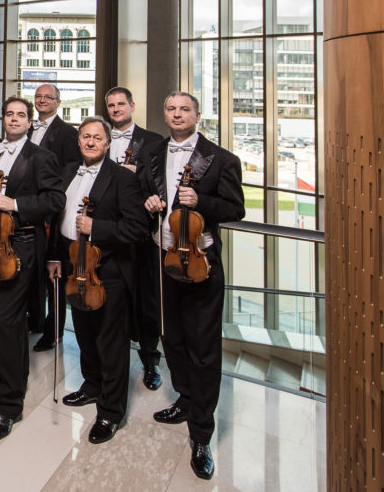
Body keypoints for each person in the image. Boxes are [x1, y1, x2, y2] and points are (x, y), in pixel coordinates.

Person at [142, 91, 245, 480]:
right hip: (163, 259)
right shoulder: (153, 153)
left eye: (184, 109)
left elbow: (235, 208)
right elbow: (141, 192)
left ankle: (201, 434)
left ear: (197, 116)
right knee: (172, 338)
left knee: (203, 349)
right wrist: (149, 201)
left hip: (201, 264)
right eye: (171, 108)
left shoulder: (221, 159)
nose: (177, 114)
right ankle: (185, 399)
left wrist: (201, 200)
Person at [0, 96, 64, 443]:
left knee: (7, 321)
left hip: (20, 248)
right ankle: (6, 383)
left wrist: (16, 204)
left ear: (29, 121)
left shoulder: (40, 157)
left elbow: (56, 200)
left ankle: (9, 407)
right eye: (9, 114)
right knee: (2, 322)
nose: (14, 119)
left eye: (20, 115)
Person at [46, 116, 147, 444]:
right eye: (85, 137)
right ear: (79, 141)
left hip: (107, 272)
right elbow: (57, 220)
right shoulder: (67, 172)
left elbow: (137, 228)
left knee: (111, 342)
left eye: (97, 138)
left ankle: (111, 411)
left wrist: (97, 228)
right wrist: (54, 257)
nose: (90, 142)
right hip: (73, 266)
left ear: (108, 143)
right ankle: (92, 386)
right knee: (85, 333)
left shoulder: (122, 178)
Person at [104, 86, 165, 390]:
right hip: (106, 230)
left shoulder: (153, 141)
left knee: (146, 300)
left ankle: (150, 360)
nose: (116, 109)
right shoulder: (99, 137)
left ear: (132, 106)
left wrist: (135, 171)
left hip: (139, 232)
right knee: (112, 299)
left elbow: (160, 184)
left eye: (121, 104)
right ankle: (109, 359)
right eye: (111, 105)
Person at [29, 83, 81, 350]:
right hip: (28, 208)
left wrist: (47, 194)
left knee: (54, 274)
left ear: (58, 102)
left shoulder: (68, 133)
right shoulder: (28, 127)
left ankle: (54, 331)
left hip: (51, 209)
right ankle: (36, 320)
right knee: (33, 269)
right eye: (38, 96)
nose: (42, 100)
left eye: (48, 97)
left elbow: (71, 170)